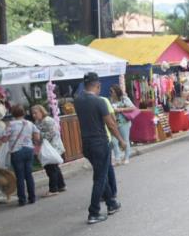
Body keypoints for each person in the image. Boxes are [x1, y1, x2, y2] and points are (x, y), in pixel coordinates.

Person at [74, 72, 126, 224]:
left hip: (87, 143)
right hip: (99, 143)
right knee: (100, 178)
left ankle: (111, 203)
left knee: (100, 174)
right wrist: (121, 140)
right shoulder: (99, 102)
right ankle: (94, 212)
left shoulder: (78, 101)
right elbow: (110, 124)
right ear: (97, 86)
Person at [1, 105, 41, 207]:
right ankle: (32, 197)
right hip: (28, 150)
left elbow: (4, 139)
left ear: (13, 113)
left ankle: (22, 200)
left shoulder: (11, 125)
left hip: (16, 152)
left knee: (20, 177)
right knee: (29, 175)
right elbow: (37, 137)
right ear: (23, 113)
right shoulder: (29, 123)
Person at [31, 105, 67, 196]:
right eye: (33, 113)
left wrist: (38, 136)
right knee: (54, 167)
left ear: (41, 112)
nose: (34, 115)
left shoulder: (47, 120)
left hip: (52, 147)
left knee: (51, 168)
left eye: (36, 113)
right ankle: (61, 185)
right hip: (47, 148)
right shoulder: (38, 122)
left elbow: (51, 134)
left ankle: (53, 189)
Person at [109, 85, 135, 165]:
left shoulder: (124, 99)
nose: (110, 93)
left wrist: (121, 109)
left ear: (116, 92)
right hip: (114, 123)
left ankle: (126, 157)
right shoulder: (111, 100)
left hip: (124, 122)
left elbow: (133, 108)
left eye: (112, 91)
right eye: (110, 91)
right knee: (114, 141)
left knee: (125, 139)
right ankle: (117, 158)